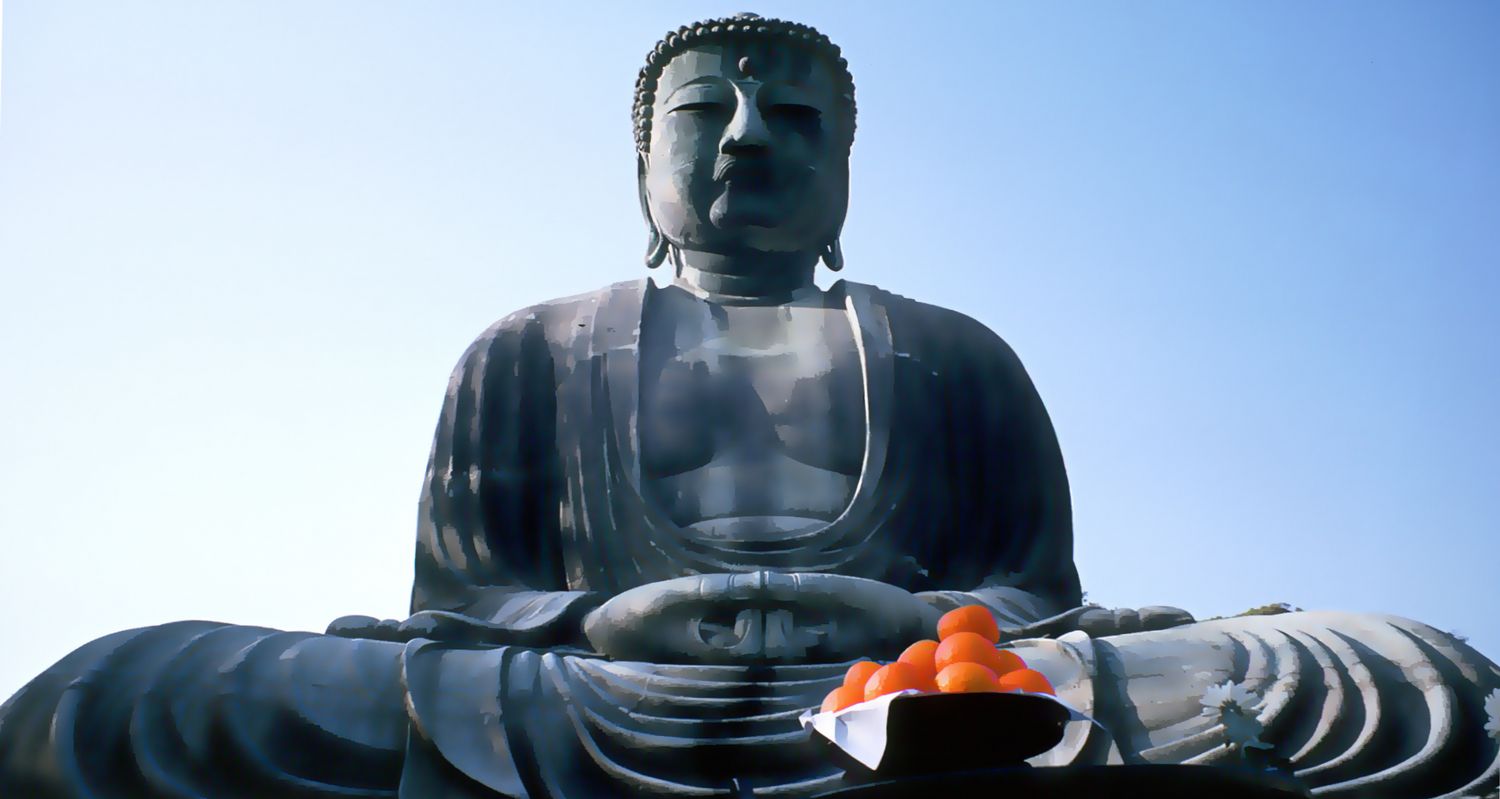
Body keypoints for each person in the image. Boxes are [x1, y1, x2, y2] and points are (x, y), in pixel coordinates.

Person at [2, 14, 1496, 799]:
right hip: (580, 710)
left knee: (1401, 672)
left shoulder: (953, 352)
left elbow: (1038, 597)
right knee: (130, 692)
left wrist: (898, 622)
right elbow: (457, 604)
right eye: (704, 112)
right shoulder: (527, 349)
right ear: (642, 164)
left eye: (795, 120)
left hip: (926, 708)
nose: (747, 139)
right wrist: (593, 625)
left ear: (847, 169)